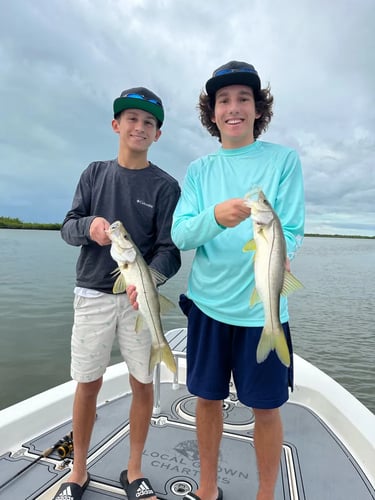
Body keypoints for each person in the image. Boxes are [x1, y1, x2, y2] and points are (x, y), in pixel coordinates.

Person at [171, 61, 305, 500]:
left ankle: (266, 494)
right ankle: (207, 489)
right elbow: (181, 233)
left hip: (262, 309)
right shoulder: (199, 171)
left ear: (257, 108)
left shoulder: (284, 160)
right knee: (207, 401)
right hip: (208, 307)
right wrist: (215, 217)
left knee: (266, 408)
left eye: (243, 99)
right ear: (212, 114)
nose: (233, 108)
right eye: (223, 101)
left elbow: (295, 228)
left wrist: (286, 255)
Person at [54, 87, 181, 500]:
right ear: (116, 125)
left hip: (138, 300)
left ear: (157, 134)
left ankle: (135, 469)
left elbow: (169, 249)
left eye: (148, 123)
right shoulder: (94, 173)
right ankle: (78, 470)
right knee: (87, 382)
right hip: (91, 294)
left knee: (142, 383)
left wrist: (151, 279)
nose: (139, 127)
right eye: (131, 119)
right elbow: (68, 226)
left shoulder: (165, 186)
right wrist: (89, 226)